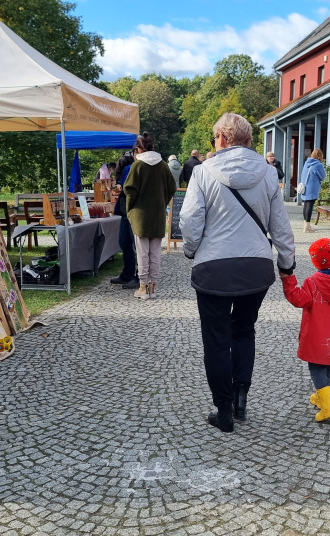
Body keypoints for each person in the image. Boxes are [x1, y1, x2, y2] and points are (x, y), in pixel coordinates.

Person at [180, 112, 296, 433]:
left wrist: (192, 250)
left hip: (213, 268)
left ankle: (224, 410)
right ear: (247, 140)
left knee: (216, 339)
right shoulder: (269, 174)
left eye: (215, 137)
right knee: (244, 329)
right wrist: (286, 265)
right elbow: (281, 227)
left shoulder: (202, 173)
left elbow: (190, 222)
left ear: (222, 138)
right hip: (255, 268)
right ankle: (241, 396)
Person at [281, 238, 330, 422]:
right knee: (326, 365)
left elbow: (298, 299)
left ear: (314, 261)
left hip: (316, 336)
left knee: (316, 368)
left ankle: (328, 407)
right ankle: (320, 396)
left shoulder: (313, 282)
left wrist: (287, 278)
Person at [124, 132, 177, 300]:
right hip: (158, 214)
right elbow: (172, 188)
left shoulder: (137, 166)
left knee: (142, 252)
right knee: (155, 253)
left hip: (140, 214)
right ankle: (153, 287)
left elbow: (129, 190)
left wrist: (130, 208)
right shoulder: (163, 166)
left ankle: (143, 287)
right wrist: (162, 202)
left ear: (138, 149)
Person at [109, 149, 140, 290]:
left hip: (135, 211)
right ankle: (127, 273)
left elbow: (130, 189)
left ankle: (139, 276)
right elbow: (123, 187)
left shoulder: (141, 168)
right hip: (124, 210)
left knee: (137, 245)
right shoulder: (128, 167)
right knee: (124, 242)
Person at [297, 149, 326, 233]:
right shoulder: (318, 165)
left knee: (306, 205)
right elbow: (323, 177)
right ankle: (307, 226)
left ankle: (305, 224)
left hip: (305, 186)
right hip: (312, 187)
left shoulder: (307, 163)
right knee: (309, 205)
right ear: (320, 155)